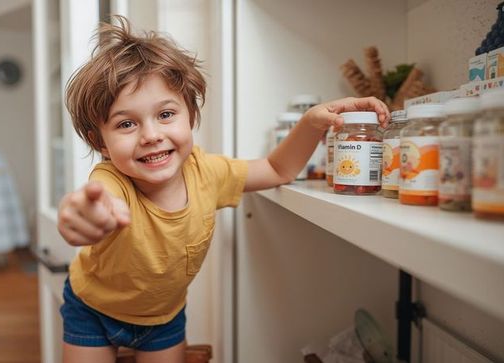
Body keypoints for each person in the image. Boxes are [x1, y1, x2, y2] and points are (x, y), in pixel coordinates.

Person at [57, 16, 390, 363]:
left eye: (166, 114)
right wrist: (81, 214)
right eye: (126, 123)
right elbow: (95, 202)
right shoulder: (111, 181)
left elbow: (278, 169)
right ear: (102, 144)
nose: (151, 134)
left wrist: (309, 124)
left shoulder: (207, 172)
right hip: (92, 309)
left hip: (164, 318)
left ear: (191, 115)